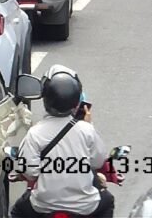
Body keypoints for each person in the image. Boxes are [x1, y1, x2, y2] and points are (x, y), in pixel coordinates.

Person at [11, 65, 113, 218]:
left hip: (43, 205)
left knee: (17, 211)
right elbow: (98, 162)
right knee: (108, 201)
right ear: (76, 102)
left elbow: (30, 173)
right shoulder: (87, 130)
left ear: (46, 99)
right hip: (85, 206)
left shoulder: (34, 133)